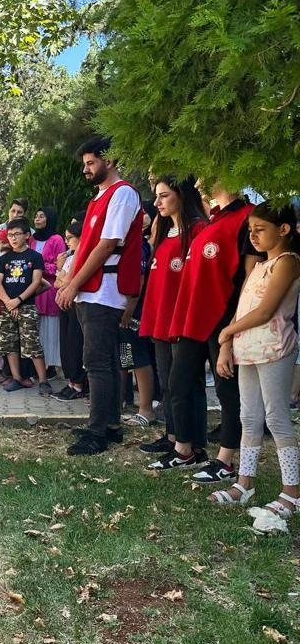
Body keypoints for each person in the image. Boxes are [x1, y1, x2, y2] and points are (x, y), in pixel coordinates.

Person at [155, 182, 259, 477]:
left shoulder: (248, 217)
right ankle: (185, 451)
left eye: (206, 175)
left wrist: (230, 331)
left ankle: (226, 460)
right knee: (178, 383)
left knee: (227, 392)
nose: (199, 182)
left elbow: (248, 280)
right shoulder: (214, 219)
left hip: (224, 319)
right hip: (193, 320)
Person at [209, 203, 300, 533]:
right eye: (251, 230)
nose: (254, 235)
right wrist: (226, 345)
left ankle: (292, 492)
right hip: (247, 350)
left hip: (274, 348)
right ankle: (244, 483)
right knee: (249, 417)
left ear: (284, 230)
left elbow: (264, 311)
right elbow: (242, 307)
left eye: (260, 229)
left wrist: (227, 332)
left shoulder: (288, 262)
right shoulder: (259, 265)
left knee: (276, 417)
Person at [57, 137, 144, 455]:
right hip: (91, 291)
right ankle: (109, 424)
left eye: (91, 163)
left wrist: (73, 284)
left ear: (109, 161)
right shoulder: (99, 199)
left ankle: (98, 432)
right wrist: (70, 280)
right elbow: (86, 247)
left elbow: (107, 245)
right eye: (84, 165)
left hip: (104, 291)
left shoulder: (122, 194)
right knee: (102, 361)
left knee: (97, 362)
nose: (85, 170)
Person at [138, 178, 207, 451]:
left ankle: (193, 442)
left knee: (186, 384)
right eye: (156, 197)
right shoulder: (165, 231)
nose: (157, 203)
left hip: (182, 322)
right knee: (167, 382)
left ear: (182, 196)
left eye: (164, 196)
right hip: (160, 320)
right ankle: (172, 436)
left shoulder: (198, 230)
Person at [0, 217, 49, 394]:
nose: (13, 238)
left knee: (32, 344)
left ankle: (43, 381)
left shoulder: (35, 257)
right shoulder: (4, 259)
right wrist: (8, 303)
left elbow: (35, 283)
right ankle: (16, 378)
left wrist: (18, 300)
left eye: (17, 234)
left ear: (27, 235)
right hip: (7, 308)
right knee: (10, 344)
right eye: (10, 235)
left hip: (26, 307)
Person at [29, 206, 65, 374]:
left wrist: (40, 267)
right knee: (34, 327)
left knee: (49, 328)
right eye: (36, 216)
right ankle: (35, 365)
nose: (37, 219)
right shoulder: (32, 239)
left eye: (41, 216)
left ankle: (49, 365)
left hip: (49, 290)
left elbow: (61, 267)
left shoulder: (57, 239)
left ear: (49, 219)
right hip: (32, 289)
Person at [53, 220, 87, 399]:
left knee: (76, 344)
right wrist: (61, 270)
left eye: (70, 238)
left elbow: (67, 281)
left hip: (77, 304)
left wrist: (65, 280)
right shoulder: (69, 257)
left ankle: (79, 383)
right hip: (65, 304)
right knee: (66, 345)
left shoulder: (83, 255)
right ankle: (71, 382)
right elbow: (58, 282)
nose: (67, 242)